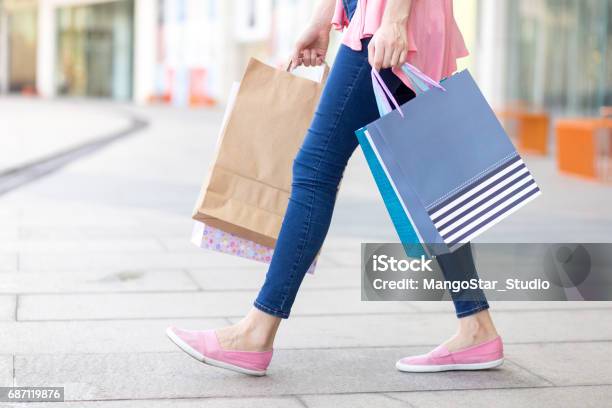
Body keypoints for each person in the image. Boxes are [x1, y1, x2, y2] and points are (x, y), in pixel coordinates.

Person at [167, 0, 503, 376]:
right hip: (388, 20)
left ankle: (256, 332)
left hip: (385, 22)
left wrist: (394, 20)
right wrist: (322, 20)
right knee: (428, 181)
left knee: (315, 168)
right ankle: (477, 327)